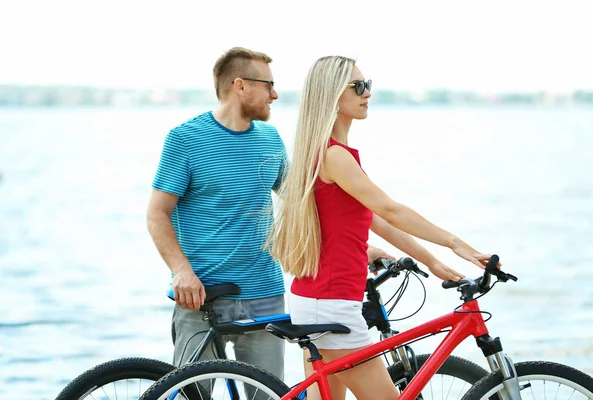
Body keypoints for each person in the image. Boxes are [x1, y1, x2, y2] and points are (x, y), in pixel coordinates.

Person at [268, 56, 498, 400]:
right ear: (333, 95)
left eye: (368, 85)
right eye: (358, 87)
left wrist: (432, 262)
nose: (367, 93)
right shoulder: (335, 156)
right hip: (332, 306)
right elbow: (390, 210)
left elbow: (372, 220)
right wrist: (454, 243)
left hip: (317, 298)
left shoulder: (325, 153)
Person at [146, 47, 288, 376]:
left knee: (268, 396)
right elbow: (157, 214)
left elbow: (302, 203)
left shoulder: (270, 139)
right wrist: (181, 271)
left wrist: (360, 244)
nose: (275, 94)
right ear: (240, 86)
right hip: (200, 296)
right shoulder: (185, 139)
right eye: (268, 85)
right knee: (191, 394)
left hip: (264, 294)